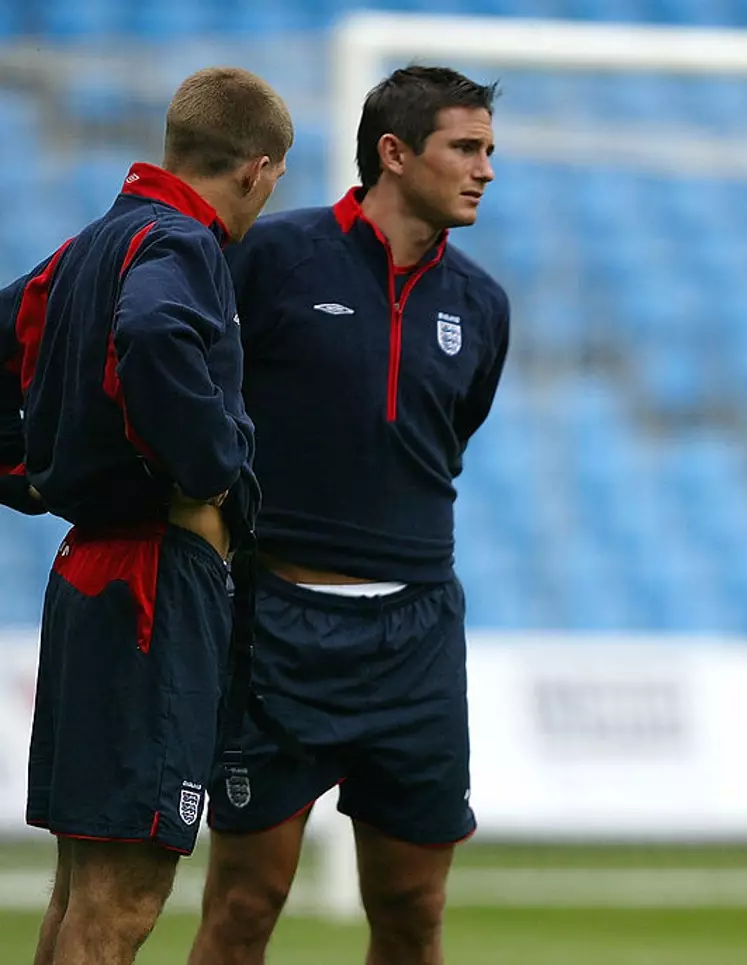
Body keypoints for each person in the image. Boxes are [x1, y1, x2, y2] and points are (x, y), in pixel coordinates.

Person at [186, 66, 508, 965]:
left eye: (489, 150)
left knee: (413, 908)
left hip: (417, 636)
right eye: (466, 148)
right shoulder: (273, 258)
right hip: (280, 625)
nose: (484, 169)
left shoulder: (482, 305)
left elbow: (450, 435)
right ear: (395, 154)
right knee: (247, 902)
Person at [0, 67, 291, 965]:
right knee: (126, 897)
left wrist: (30, 476)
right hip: (154, 584)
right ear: (255, 170)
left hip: (93, 573)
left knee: (81, 891)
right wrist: (213, 468)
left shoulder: (94, 242)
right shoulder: (183, 245)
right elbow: (158, 333)